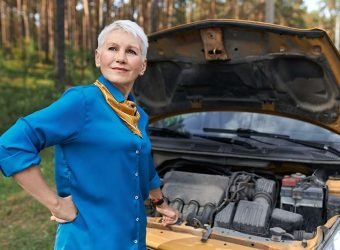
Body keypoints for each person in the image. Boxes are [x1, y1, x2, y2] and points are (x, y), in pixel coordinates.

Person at [0, 20, 179, 249]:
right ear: (98, 57)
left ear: (142, 66)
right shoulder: (82, 102)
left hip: (131, 238)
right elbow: (11, 144)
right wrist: (55, 204)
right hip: (88, 240)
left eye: (131, 51)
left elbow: (143, 165)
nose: (121, 57)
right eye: (112, 48)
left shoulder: (138, 115)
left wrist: (160, 203)